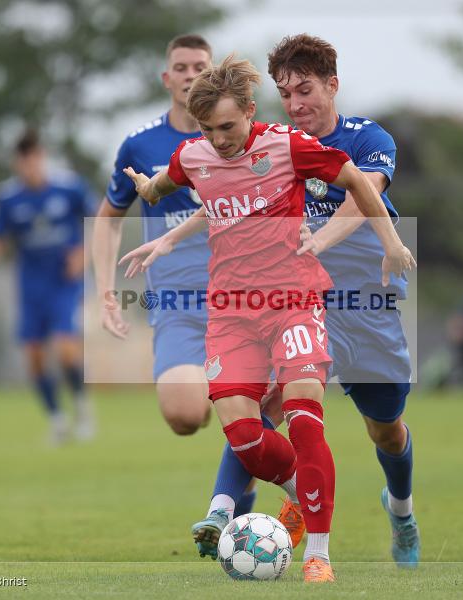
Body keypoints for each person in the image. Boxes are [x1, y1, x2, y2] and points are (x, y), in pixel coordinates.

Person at [120, 55, 414, 582]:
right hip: (231, 314)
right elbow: (168, 184)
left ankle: (319, 553)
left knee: (308, 416)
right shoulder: (194, 155)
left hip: (295, 301)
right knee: (247, 438)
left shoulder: (288, 145)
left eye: (228, 127)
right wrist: (148, 196)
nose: (219, 139)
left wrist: (392, 243)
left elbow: (356, 180)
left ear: (250, 112)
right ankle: (304, 493)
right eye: (208, 129)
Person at [93, 34, 262, 524]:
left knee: (247, 418)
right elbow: (108, 218)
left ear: (214, 76)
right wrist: (106, 291)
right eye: (181, 67)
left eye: (199, 66)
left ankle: (232, 516)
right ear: (167, 78)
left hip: (244, 297)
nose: (190, 75)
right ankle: (218, 402)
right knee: (185, 416)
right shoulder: (141, 144)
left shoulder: (245, 135)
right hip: (177, 302)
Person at [0, 129, 98, 444]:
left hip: (64, 282)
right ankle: (57, 419)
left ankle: (82, 406)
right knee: (34, 356)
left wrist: (83, 253)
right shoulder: (8, 197)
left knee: (66, 348)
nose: (29, 166)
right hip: (31, 285)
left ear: (41, 157)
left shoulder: (69, 187)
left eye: (33, 159)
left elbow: (99, 219)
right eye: (23, 161)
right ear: (17, 163)